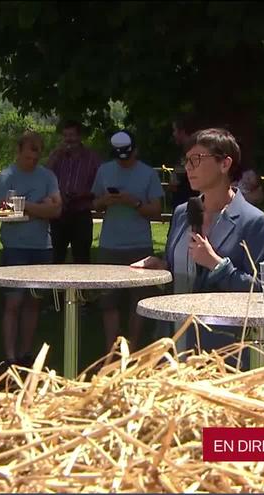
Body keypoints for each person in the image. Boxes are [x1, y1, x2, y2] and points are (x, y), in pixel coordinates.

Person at [133, 128, 264, 354]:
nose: (188, 167)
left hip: (224, 351)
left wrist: (217, 265)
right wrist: (161, 268)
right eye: (187, 160)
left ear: (225, 164)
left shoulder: (254, 221)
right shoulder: (182, 213)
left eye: (197, 159)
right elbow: (180, 272)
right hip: (172, 343)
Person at [0, 131, 62, 367]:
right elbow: (3, 210)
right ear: (19, 150)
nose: (33, 157)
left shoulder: (48, 176)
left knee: (34, 302)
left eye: (37, 152)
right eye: (29, 152)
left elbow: (56, 210)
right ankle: (9, 356)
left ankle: (25, 353)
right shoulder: (6, 176)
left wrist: (25, 206)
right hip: (15, 246)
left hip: (42, 246)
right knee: (13, 302)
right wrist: (40, 206)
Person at [92, 131, 164, 348]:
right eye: (119, 158)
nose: (123, 162)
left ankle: (132, 349)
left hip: (139, 245)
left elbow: (157, 211)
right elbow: (94, 204)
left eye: (128, 157)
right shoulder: (104, 170)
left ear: (136, 151)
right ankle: (110, 350)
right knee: (108, 301)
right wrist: (105, 200)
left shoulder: (148, 173)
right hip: (109, 244)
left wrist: (135, 203)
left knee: (139, 301)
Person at [45, 120, 100, 264]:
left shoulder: (91, 158)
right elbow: (45, 176)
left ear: (80, 136)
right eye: (66, 135)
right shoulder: (58, 157)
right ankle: (56, 286)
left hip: (81, 212)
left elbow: (99, 183)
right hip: (60, 213)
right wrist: (54, 156)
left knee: (81, 257)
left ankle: (82, 287)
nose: (69, 139)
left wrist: (86, 195)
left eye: (72, 135)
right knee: (57, 257)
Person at [168, 116, 198, 210]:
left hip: (188, 207)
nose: (173, 134)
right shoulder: (183, 152)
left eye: (175, 130)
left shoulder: (190, 154)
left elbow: (175, 183)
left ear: (182, 131)